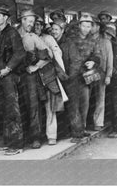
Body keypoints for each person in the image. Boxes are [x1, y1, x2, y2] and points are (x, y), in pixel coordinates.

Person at [17, 9, 56, 149]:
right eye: (29, 21)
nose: (31, 24)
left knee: (33, 106)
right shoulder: (13, 34)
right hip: (15, 76)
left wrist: (36, 67)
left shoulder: (33, 37)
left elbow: (49, 54)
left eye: (33, 22)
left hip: (29, 76)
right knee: (19, 106)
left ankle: (36, 137)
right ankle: (21, 137)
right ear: (22, 20)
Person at [61, 13, 101, 143]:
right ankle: (75, 132)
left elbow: (97, 55)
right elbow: (66, 58)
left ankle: (82, 128)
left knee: (85, 103)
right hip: (72, 76)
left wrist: (93, 62)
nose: (86, 29)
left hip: (85, 76)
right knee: (73, 104)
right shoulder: (70, 39)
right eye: (83, 26)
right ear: (79, 26)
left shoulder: (93, 40)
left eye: (88, 26)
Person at [0, 4, 26, 155]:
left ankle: (17, 144)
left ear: (6, 18)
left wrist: (8, 68)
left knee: (12, 109)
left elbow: (20, 53)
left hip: (9, 76)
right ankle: (8, 140)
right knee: (4, 109)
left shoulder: (12, 33)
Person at [35, 16, 66, 145]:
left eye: (39, 25)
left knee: (50, 107)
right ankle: (37, 135)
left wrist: (61, 73)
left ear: (42, 26)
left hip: (48, 76)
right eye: (34, 24)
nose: (36, 27)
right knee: (35, 108)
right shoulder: (25, 37)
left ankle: (51, 136)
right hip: (33, 77)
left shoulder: (48, 38)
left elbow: (57, 54)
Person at [90, 16, 113, 131]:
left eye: (92, 25)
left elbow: (110, 60)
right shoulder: (85, 40)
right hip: (87, 74)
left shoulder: (106, 42)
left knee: (100, 98)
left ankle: (98, 122)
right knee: (88, 99)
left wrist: (108, 75)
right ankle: (87, 122)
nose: (90, 28)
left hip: (101, 73)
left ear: (98, 27)